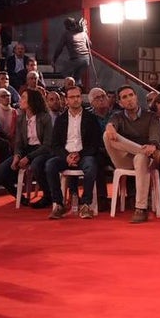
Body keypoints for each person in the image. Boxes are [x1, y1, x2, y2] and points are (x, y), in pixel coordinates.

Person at [104, 85, 160, 223]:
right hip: (124, 159)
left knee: (141, 158)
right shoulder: (117, 116)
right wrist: (109, 126)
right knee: (106, 135)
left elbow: (155, 137)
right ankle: (144, 151)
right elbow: (111, 125)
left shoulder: (150, 116)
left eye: (131, 95)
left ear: (136, 97)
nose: (129, 99)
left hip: (144, 159)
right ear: (120, 103)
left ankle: (141, 209)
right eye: (124, 97)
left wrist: (153, 145)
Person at [45, 85, 102, 219]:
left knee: (91, 165)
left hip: (84, 155)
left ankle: (85, 204)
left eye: (78, 96)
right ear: (66, 100)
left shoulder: (91, 118)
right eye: (72, 97)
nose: (76, 99)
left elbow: (95, 143)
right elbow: (55, 145)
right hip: (65, 155)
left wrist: (79, 155)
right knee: (50, 165)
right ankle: (59, 204)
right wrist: (67, 156)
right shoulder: (61, 119)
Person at [0, 87, 53, 205]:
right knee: (0, 173)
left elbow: (47, 145)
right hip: (27, 150)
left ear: (31, 101)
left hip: (42, 150)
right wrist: (17, 155)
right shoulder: (20, 118)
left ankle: (48, 196)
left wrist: (28, 158)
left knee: (36, 164)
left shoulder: (45, 118)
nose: (19, 100)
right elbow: (18, 142)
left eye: (23, 98)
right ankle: (20, 197)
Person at [52, 17, 91, 83]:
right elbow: (89, 44)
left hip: (76, 59)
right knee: (77, 77)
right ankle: (77, 87)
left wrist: (54, 60)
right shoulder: (83, 32)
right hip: (86, 60)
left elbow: (59, 48)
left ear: (67, 26)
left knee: (65, 73)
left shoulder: (66, 34)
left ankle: (68, 87)